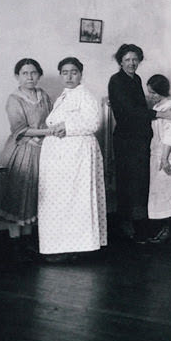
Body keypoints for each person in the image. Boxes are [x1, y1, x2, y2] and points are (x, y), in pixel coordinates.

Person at [38, 57, 107, 261]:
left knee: (75, 200)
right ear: (60, 74)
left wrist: (66, 128)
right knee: (61, 201)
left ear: (81, 74)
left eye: (74, 72)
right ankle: (61, 246)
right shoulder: (65, 96)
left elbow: (93, 123)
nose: (69, 76)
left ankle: (77, 246)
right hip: (63, 157)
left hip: (77, 156)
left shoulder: (85, 95)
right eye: (65, 72)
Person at [108, 44, 171, 242]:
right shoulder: (117, 80)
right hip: (126, 140)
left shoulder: (136, 79)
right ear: (120, 61)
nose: (132, 63)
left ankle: (137, 228)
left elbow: (137, 106)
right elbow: (129, 112)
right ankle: (128, 228)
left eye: (135, 59)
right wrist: (161, 113)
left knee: (139, 184)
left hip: (139, 138)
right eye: (127, 59)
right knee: (128, 183)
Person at [0, 58, 53, 261]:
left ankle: (28, 242)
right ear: (17, 76)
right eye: (25, 73)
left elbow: (51, 119)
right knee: (17, 194)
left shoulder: (43, 95)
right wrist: (47, 132)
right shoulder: (14, 99)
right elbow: (19, 129)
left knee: (35, 195)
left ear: (39, 74)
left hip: (42, 151)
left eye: (34, 73)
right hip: (21, 151)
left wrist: (47, 135)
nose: (30, 77)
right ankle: (15, 244)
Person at [147, 74, 171, 244]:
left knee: (169, 194)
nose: (151, 96)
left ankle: (169, 231)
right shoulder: (159, 106)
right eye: (150, 93)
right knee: (161, 193)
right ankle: (164, 229)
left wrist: (164, 159)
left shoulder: (170, 107)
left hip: (167, 156)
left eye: (154, 93)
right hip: (158, 154)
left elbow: (170, 135)